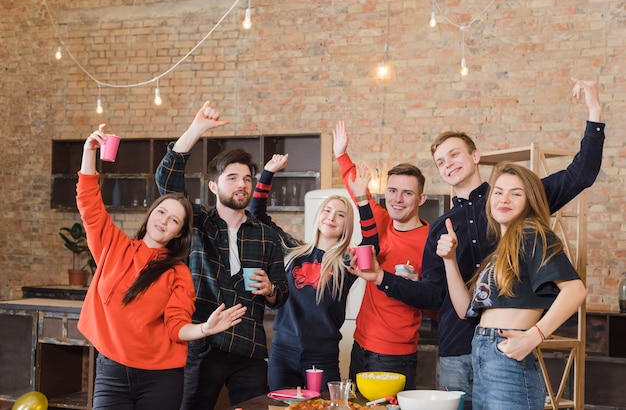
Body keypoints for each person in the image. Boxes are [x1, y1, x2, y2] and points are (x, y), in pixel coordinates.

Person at [352, 77, 604, 405]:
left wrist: (594, 112)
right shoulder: (442, 227)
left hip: (507, 345)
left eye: (454, 154)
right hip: (458, 350)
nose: (449, 164)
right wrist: (385, 278)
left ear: (475, 156)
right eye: (441, 162)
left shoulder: (514, 202)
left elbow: (579, 175)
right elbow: (433, 293)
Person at [77, 125, 247, 410]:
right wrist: (88, 152)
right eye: (161, 212)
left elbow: (176, 327)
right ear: (150, 214)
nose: (164, 221)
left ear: (179, 233)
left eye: (174, 221)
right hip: (112, 371)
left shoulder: (177, 273)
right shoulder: (114, 247)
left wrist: (205, 328)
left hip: (160, 377)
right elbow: (89, 203)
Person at [155, 101, 288, 409]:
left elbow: (281, 296)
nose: (242, 184)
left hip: (250, 348)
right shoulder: (197, 222)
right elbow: (168, 180)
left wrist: (270, 290)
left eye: (246, 178)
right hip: (201, 345)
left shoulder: (266, 234)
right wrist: (197, 129)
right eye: (232, 178)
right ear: (213, 185)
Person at [436, 162, 587, 410]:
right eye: (498, 192)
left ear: (530, 200)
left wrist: (534, 337)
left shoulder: (532, 234)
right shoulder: (498, 255)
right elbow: (465, 310)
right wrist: (449, 260)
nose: (504, 199)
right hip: (482, 352)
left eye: (516, 193)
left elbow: (575, 289)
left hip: (506, 356)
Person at [250, 154, 378, 391]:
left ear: (346, 225)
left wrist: (361, 198)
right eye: (327, 210)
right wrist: (267, 173)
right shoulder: (293, 250)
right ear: (319, 216)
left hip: (322, 357)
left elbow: (371, 243)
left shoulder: (347, 262)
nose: (332, 217)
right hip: (282, 353)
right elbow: (258, 217)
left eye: (340, 214)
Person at [333, 122, 431, 390]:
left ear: (421, 198)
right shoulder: (381, 220)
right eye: (392, 190)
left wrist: (416, 284)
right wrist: (341, 154)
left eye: (407, 193)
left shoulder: (431, 240)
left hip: (394, 354)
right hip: (360, 343)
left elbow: (436, 301)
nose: (398, 199)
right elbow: (355, 186)